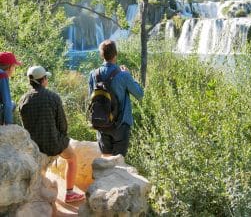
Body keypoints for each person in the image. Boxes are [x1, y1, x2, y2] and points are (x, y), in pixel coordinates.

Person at [18, 66, 85, 203]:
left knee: (41, 171)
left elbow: (25, 127)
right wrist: (63, 138)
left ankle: (41, 195)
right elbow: (62, 125)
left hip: (34, 147)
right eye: (46, 78)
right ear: (43, 80)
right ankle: (70, 193)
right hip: (54, 143)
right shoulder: (53, 97)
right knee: (72, 158)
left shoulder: (23, 100)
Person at [89, 39, 144, 157]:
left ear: (101, 55)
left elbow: (92, 98)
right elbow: (139, 94)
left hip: (101, 122)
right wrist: (130, 76)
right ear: (116, 54)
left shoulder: (93, 74)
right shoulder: (123, 75)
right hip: (121, 125)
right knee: (119, 164)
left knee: (105, 161)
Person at [0, 52, 22, 125]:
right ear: (9, 67)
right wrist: (9, 126)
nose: (14, 69)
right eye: (14, 66)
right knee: (12, 104)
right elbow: (7, 103)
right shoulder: (2, 75)